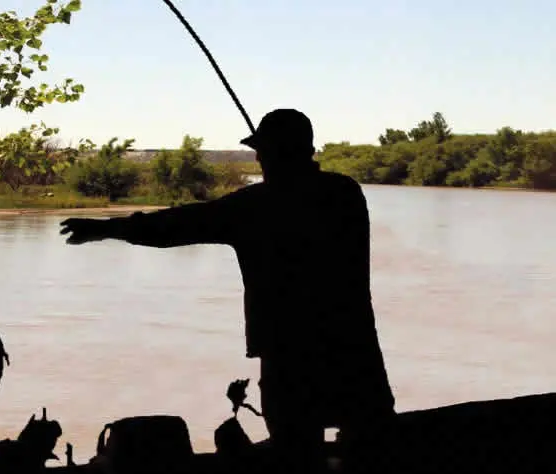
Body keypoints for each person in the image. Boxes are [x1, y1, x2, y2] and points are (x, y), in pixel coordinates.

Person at [60, 109, 396, 473]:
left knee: (296, 451)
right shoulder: (345, 193)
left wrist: (108, 229)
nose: (258, 158)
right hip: (354, 347)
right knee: (370, 445)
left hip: (289, 354)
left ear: (272, 153)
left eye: (261, 150)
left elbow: (176, 225)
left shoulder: (255, 206)